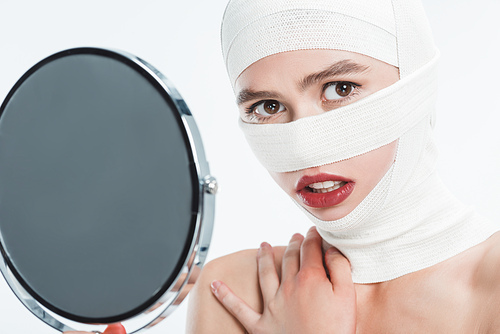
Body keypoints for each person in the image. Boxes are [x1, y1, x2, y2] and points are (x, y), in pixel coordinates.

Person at [185, 0, 500, 333]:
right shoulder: (235, 292)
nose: (304, 150)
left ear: (416, 82)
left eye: (340, 89)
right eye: (268, 106)